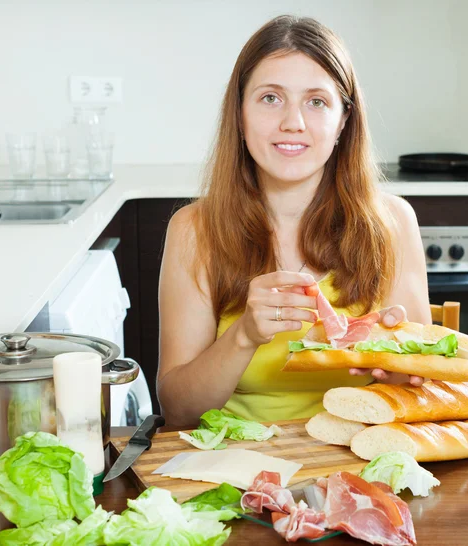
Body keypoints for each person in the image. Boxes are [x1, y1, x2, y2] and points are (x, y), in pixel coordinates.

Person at [157, 15, 431, 426]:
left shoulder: (391, 222)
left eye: (316, 101)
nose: (293, 122)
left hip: (360, 460)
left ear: (343, 121)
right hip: (233, 469)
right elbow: (179, 411)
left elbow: (424, 390)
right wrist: (244, 335)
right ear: (239, 113)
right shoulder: (194, 231)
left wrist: (400, 372)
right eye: (270, 98)